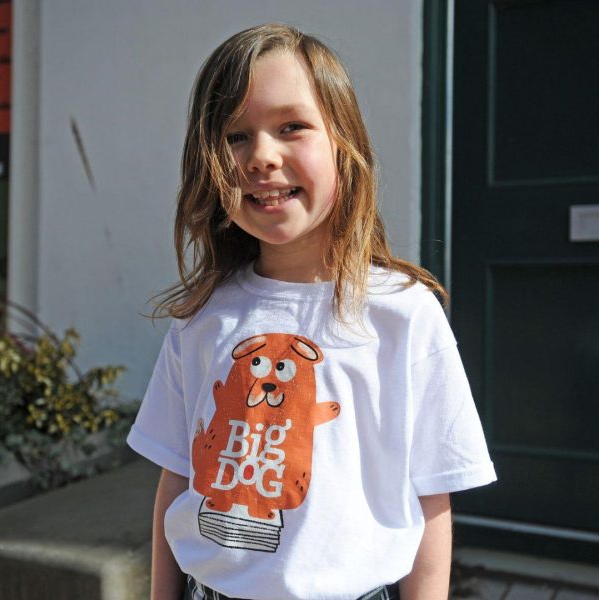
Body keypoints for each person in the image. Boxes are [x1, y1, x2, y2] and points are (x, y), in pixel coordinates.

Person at [127, 23, 497, 600]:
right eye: (234, 136)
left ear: (344, 146)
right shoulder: (203, 318)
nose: (261, 157)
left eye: (291, 126)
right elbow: (177, 477)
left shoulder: (403, 314)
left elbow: (432, 496)